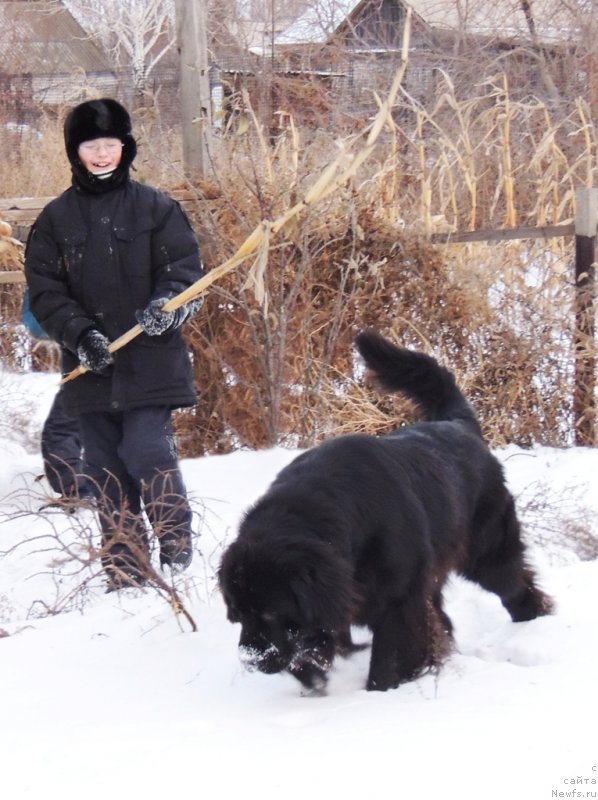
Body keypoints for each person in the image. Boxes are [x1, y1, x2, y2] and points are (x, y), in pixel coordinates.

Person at [25, 98, 204, 590]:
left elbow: (185, 271)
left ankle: (175, 541)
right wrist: (81, 336)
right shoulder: (56, 219)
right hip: (92, 369)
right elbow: (44, 291)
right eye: (91, 146)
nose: (102, 154)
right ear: (74, 152)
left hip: (150, 363)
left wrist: (167, 306)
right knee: (103, 466)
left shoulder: (157, 207)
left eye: (111, 145)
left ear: (126, 148)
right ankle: (125, 567)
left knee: (147, 449)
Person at [22, 288, 94, 506]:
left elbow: (38, 325)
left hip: (90, 362)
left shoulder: (59, 269)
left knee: (61, 430)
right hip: (133, 361)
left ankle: (77, 490)